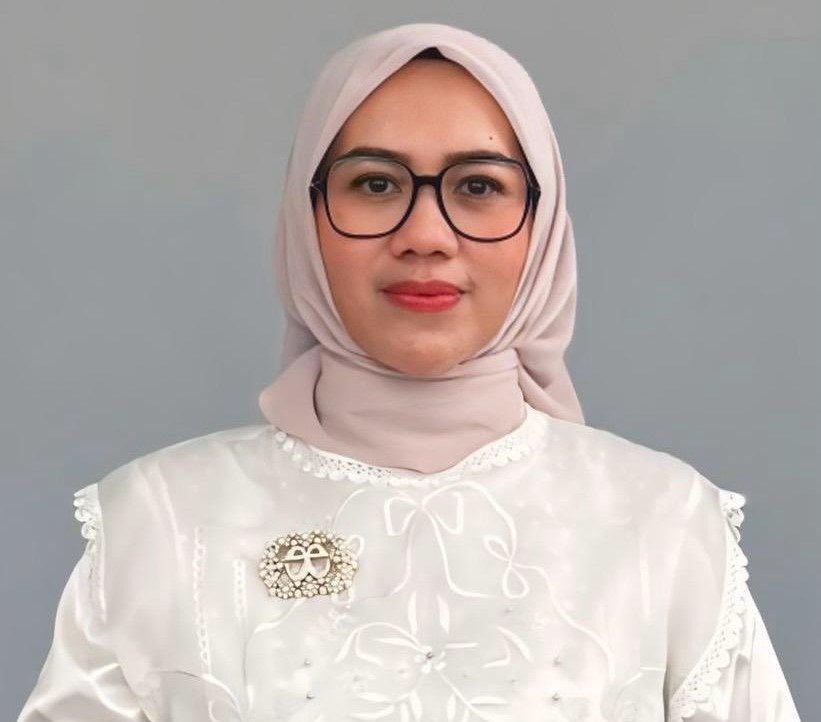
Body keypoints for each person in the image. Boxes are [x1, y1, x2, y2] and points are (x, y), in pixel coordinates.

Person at [17, 22, 801, 722]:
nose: (426, 234)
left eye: (478, 187)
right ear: (305, 217)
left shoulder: (663, 525)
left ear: (542, 225)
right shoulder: (159, 524)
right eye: (376, 184)